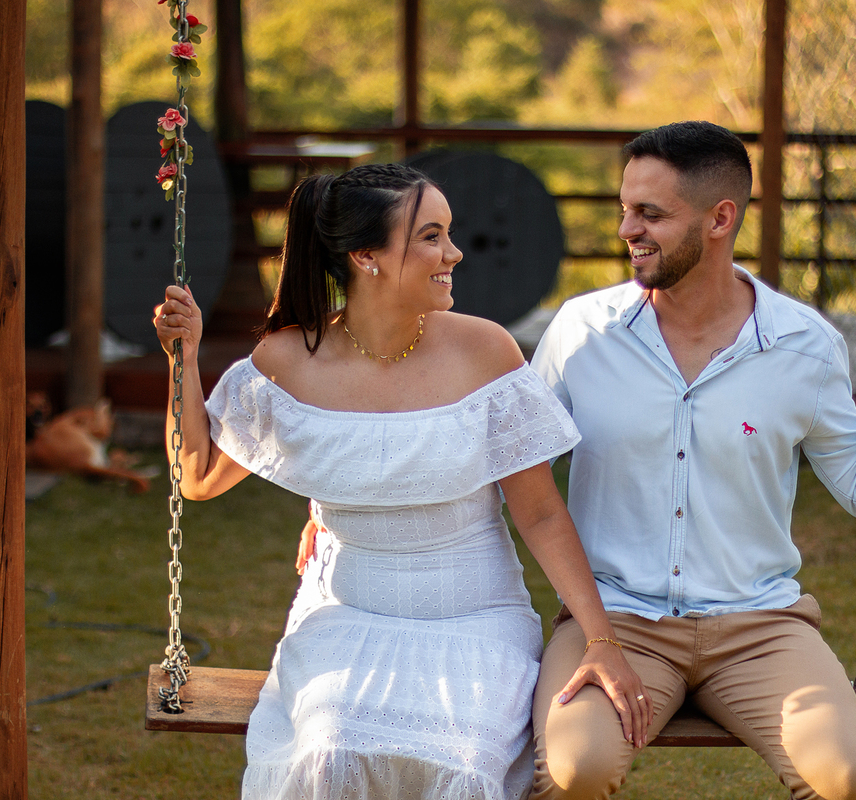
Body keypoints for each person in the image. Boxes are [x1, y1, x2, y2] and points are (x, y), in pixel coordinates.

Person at [153, 163, 651, 800]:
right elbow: (197, 475)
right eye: (431, 237)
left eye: (448, 233)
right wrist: (186, 358)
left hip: (474, 619)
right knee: (332, 749)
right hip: (345, 616)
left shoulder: (485, 351)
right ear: (366, 257)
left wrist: (600, 638)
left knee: (462, 765)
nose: (455, 253)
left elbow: (542, 514)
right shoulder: (287, 362)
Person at [526, 121, 856, 800]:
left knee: (842, 778)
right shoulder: (582, 333)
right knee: (578, 769)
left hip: (760, 629)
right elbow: (518, 480)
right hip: (616, 622)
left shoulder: (805, 346)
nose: (627, 229)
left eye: (651, 214)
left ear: (720, 219)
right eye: (625, 209)